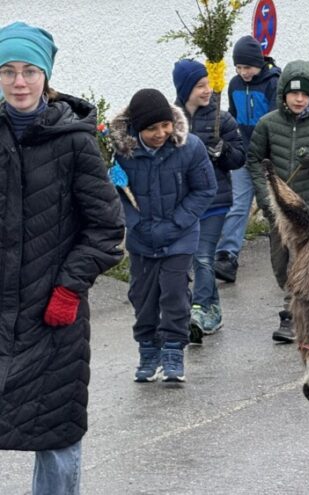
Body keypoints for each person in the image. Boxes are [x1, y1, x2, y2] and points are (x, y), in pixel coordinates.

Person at [0, 21, 125, 495]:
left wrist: (69, 286)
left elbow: (106, 229)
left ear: (45, 77)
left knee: (55, 432)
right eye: (8, 71)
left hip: (52, 315)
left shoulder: (75, 142)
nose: (19, 82)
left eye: (29, 70)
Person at [110, 88, 217, 384]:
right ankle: (148, 349)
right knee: (142, 296)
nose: (160, 134)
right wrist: (135, 222)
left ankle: (172, 349)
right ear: (137, 128)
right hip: (142, 236)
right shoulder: (122, 153)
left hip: (179, 236)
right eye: (151, 129)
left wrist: (178, 221)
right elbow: (115, 192)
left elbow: (205, 189)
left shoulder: (190, 148)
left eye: (164, 126)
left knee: (174, 293)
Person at [247, 60, 309, 343]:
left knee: (302, 263)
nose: (299, 99)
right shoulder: (267, 124)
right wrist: (267, 198)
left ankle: (291, 316)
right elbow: (254, 161)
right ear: (284, 93)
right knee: (280, 264)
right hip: (279, 210)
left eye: (305, 94)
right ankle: (299, 301)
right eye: (294, 93)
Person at [172, 59, 246, 343]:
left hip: (214, 199)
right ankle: (213, 308)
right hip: (182, 201)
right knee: (193, 256)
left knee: (204, 256)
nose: (206, 91)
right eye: (200, 86)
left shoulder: (221, 119)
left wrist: (222, 150)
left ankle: (200, 310)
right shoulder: (171, 118)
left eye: (208, 84)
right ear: (186, 88)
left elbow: (239, 158)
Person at [215, 35, 281, 283]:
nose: (243, 72)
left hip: (269, 156)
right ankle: (227, 256)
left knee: (273, 207)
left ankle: (287, 256)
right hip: (243, 153)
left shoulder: (274, 83)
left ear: (259, 63)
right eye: (239, 67)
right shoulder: (234, 85)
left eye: (248, 67)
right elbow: (232, 116)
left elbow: (277, 120)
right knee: (238, 204)